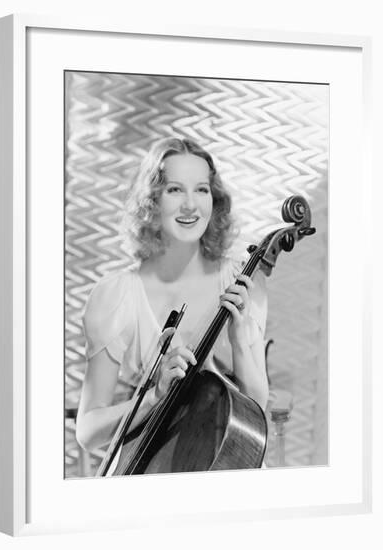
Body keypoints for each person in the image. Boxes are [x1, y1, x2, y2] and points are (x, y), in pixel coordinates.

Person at [76, 137, 269, 469]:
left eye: (202, 190)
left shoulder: (241, 283)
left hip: (229, 466)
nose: (191, 206)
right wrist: (153, 397)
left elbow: (257, 410)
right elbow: (88, 430)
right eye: (175, 190)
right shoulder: (116, 295)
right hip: (155, 469)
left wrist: (240, 342)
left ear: (215, 199)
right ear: (152, 200)